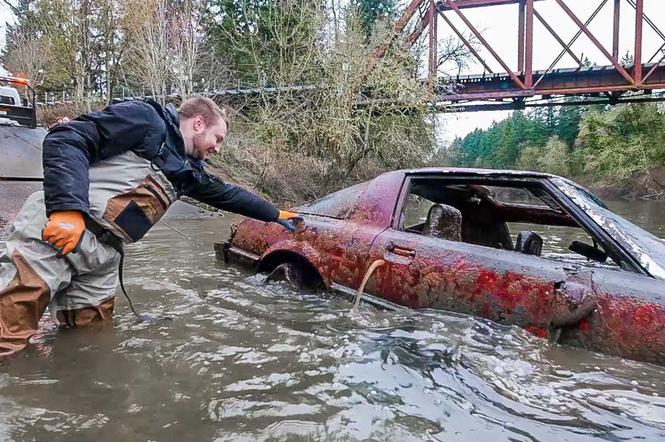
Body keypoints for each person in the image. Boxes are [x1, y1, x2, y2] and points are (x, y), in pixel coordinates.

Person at [0, 96, 301, 357]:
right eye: (218, 138)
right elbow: (66, 138)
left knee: (90, 341)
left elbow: (228, 195)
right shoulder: (146, 120)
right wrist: (67, 210)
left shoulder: (189, 173)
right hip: (59, 232)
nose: (218, 149)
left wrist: (275, 214)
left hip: (103, 255)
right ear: (198, 123)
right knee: (8, 329)